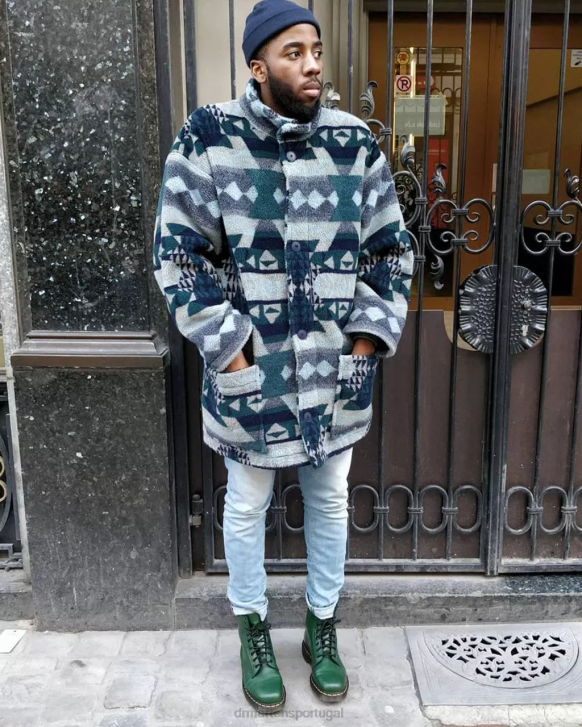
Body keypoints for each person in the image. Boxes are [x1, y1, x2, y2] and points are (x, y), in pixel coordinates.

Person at [153, 0, 413, 714]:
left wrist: (365, 342)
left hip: (335, 372)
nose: (312, 65)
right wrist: (231, 351)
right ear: (258, 65)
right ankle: (253, 631)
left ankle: (322, 628)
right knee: (247, 503)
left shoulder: (355, 144)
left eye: (316, 51)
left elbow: (391, 251)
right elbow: (179, 255)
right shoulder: (210, 137)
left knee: (329, 499)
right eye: (294, 52)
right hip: (253, 373)